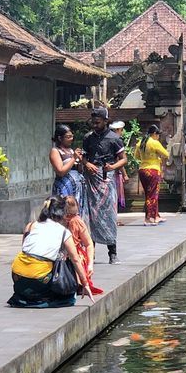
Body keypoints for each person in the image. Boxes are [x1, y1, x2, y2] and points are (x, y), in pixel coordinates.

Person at [8, 195, 93, 308]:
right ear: (62, 213)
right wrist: (85, 284)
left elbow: (25, 250)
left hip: (17, 276)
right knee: (66, 267)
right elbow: (76, 259)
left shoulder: (30, 226)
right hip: (40, 279)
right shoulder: (63, 232)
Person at [82, 108, 127, 264]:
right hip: (92, 178)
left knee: (108, 215)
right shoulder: (88, 138)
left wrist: (113, 167)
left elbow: (123, 159)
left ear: (105, 121)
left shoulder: (114, 138)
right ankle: (91, 253)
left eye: (98, 122)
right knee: (91, 216)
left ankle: (112, 253)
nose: (94, 125)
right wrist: (87, 164)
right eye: (93, 122)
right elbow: (83, 157)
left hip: (107, 177)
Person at [65, 195, 102, 295]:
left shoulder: (77, 221)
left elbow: (89, 243)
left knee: (76, 259)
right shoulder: (58, 221)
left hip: (75, 254)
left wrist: (90, 265)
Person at [50, 124, 87, 218]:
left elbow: (78, 169)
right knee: (64, 213)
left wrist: (81, 161)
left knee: (76, 214)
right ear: (60, 138)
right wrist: (74, 158)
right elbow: (60, 171)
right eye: (68, 137)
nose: (71, 139)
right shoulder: (55, 151)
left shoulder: (71, 150)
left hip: (76, 187)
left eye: (72, 136)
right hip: (64, 186)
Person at [135, 124, 169, 225]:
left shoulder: (140, 143)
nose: (158, 137)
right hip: (153, 170)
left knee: (148, 194)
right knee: (153, 194)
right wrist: (157, 158)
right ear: (154, 133)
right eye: (158, 134)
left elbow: (136, 156)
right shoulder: (154, 143)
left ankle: (153, 216)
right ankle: (151, 217)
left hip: (142, 170)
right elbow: (166, 154)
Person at [108, 120, 129, 217]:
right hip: (114, 173)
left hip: (111, 171)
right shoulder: (116, 141)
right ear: (117, 130)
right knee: (114, 196)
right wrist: (124, 174)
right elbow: (119, 160)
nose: (122, 132)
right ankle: (113, 217)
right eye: (121, 130)